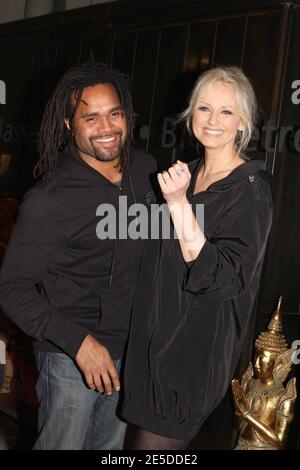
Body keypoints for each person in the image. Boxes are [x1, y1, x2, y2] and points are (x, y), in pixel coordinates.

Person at [0, 62, 157, 450]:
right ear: (70, 124)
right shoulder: (51, 200)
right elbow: (12, 289)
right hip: (71, 360)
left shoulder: (146, 170)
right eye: (91, 117)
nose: (106, 127)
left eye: (114, 113)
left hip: (129, 354)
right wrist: (79, 343)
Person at [121, 66, 273, 449]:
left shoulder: (249, 191)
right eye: (205, 108)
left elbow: (223, 277)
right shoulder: (184, 173)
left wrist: (177, 204)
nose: (213, 120)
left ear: (243, 122)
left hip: (188, 359)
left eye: (226, 111)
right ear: (191, 114)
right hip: (150, 346)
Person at [232, 297, 297, 450]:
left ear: (277, 363)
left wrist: (246, 414)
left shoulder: (283, 397)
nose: (256, 365)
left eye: (262, 361)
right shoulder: (252, 383)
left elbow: (280, 442)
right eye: (256, 357)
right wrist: (238, 408)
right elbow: (236, 426)